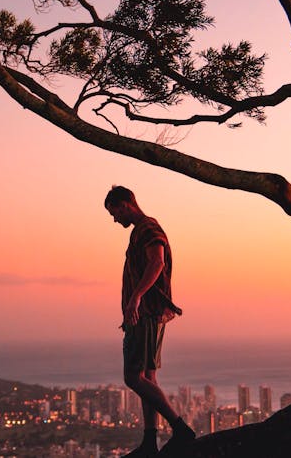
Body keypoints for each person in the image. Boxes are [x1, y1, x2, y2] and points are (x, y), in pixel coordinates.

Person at [104, 185, 196, 456]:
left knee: (133, 377)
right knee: (148, 377)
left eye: (114, 212)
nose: (114, 219)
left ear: (125, 205)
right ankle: (149, 441)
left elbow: (156, 262)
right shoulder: (141, 230)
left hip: (145, 314)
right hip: (147, 314)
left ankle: (179, 428)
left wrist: (136, 298)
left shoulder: (146, 228)